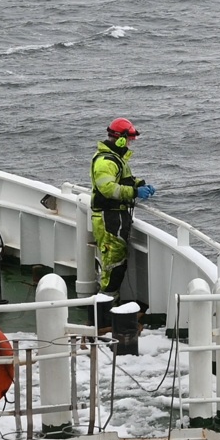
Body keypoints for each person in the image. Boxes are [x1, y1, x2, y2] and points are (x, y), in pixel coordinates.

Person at [90, 118, 154, 303]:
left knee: (116, 262)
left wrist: (138, 184)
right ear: (119, 139)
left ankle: (109, 307)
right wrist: (134, 192)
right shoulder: (105, 162)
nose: (130, 143)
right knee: (112, 264)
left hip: (116, 217)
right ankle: (104, 312)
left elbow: (123, 180)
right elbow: (108, 189)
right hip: (108, 217)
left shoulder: (116, 159)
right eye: (129, 139)